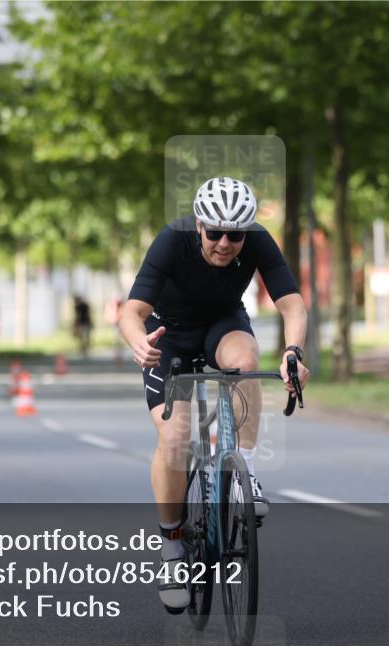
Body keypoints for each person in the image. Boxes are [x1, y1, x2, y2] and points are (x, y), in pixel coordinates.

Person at [118, 176, 310, 612]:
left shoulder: (257, 240)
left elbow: (292, 303)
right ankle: (171, 551)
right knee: (175, 440)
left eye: (236, 235)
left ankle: (245, 467)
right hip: (167, 337)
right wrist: (139, 342)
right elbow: (133, 310)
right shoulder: (173, 240)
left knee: (245, 361)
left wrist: (293, 351)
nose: (225, 243)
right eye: (215, 233)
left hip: (222, 324)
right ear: (199, 225)